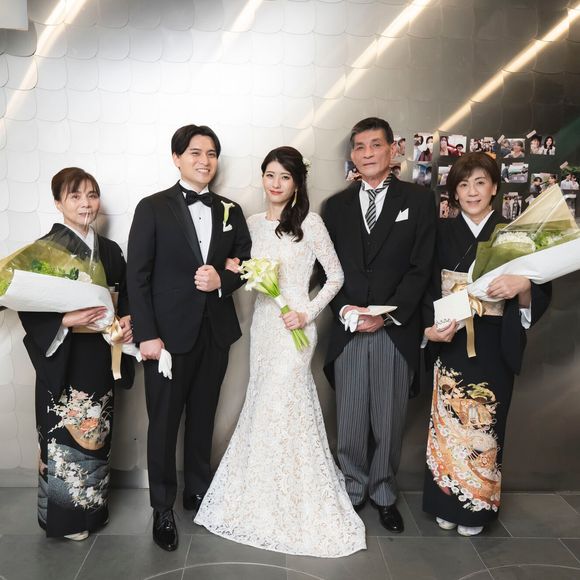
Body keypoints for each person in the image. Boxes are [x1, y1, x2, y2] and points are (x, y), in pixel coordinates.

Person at [194, 146, 366, 557]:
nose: (275, 183)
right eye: (270, 175)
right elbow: (246, 271)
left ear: (296, 183)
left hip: (296, 329)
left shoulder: (310, 224)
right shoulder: (251, 224)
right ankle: (262, 491)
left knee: (287, 402)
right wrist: (238, 270)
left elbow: (336, 276)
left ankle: (295, 493)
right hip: (265, 325)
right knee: (263, 404)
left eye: (284, 177)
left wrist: (306, 313)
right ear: (263, 178)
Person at [127, 124, 252, 552]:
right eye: (196, 152)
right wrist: (147, 336)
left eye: (212, 153)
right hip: (165, 340)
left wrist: (222, 281)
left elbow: (245, 263)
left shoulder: (231, 210)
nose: (205, 160)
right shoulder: (152, 207)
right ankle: (162, 507)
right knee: (163, 425)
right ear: (176, 158)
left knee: (203, 418)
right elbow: (137, 276)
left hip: (214, 333)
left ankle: (198, 491)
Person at [422, 152, 551, 536]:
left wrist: (523, 285)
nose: (472, 191)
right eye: (463, 185)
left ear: (495, 187)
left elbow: (540, 287)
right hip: (452, 336)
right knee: (447, 422)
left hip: (495, 341)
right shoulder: (441, 231)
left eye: (480, 182)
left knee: (486, 424)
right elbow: (425, 284)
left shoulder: (514, 234)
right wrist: (429, 329)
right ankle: (445, 501)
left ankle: (476, 508)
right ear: (454, 193)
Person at [322, 117, 436, 533]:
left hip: (395, 327)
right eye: (360, 147)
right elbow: (326, 270)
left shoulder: (418, 200)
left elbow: (422, 267)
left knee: (388, 418)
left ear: (393, 150)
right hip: (349, 327)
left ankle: (384, 491)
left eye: (375, 145)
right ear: (352, 155)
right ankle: (352, 487)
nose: (367, 153)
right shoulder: (334, 207)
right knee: (350, 415)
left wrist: (386, 314)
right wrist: (347, 312)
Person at [18, 167, 134, 541]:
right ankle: (64, 520)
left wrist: (127, 321)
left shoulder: (111, 251)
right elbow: (26, 303)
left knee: (96, 435)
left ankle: (93, 512)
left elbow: (126, 298)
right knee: (61, 439)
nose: (86, 203)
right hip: (64, 356)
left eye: (92, 195)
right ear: (58, 203)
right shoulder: (45, 251)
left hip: (100, 354)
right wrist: (66, 319)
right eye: (75, 196)